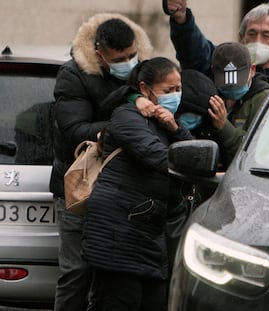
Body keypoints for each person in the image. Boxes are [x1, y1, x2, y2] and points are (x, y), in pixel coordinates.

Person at [50, 13, 152, 311]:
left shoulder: (141, 70)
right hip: (80, 190)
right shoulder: (74, 74)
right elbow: (72, 132)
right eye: (120, 58)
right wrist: (124, 125)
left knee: (109, 279)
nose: (129, 62)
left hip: (122, 189)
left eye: (132, 55)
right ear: (100, 54)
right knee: (76, 273)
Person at [82, 57, 193, 311]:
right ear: (145, 89)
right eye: (168, 91)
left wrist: (175, 128)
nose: (175, 96)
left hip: (149, 236)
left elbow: (190, 149)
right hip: (118, 235)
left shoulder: (164, 122)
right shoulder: (126, 116)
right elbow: (157, 155)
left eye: (178, 89)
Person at [166, 1, 269, 82]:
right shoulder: (225, 61)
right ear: (241, 37)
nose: (258, 40)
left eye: (266, 35)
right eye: (252, 33)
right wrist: (182, 19)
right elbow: (197, 52)